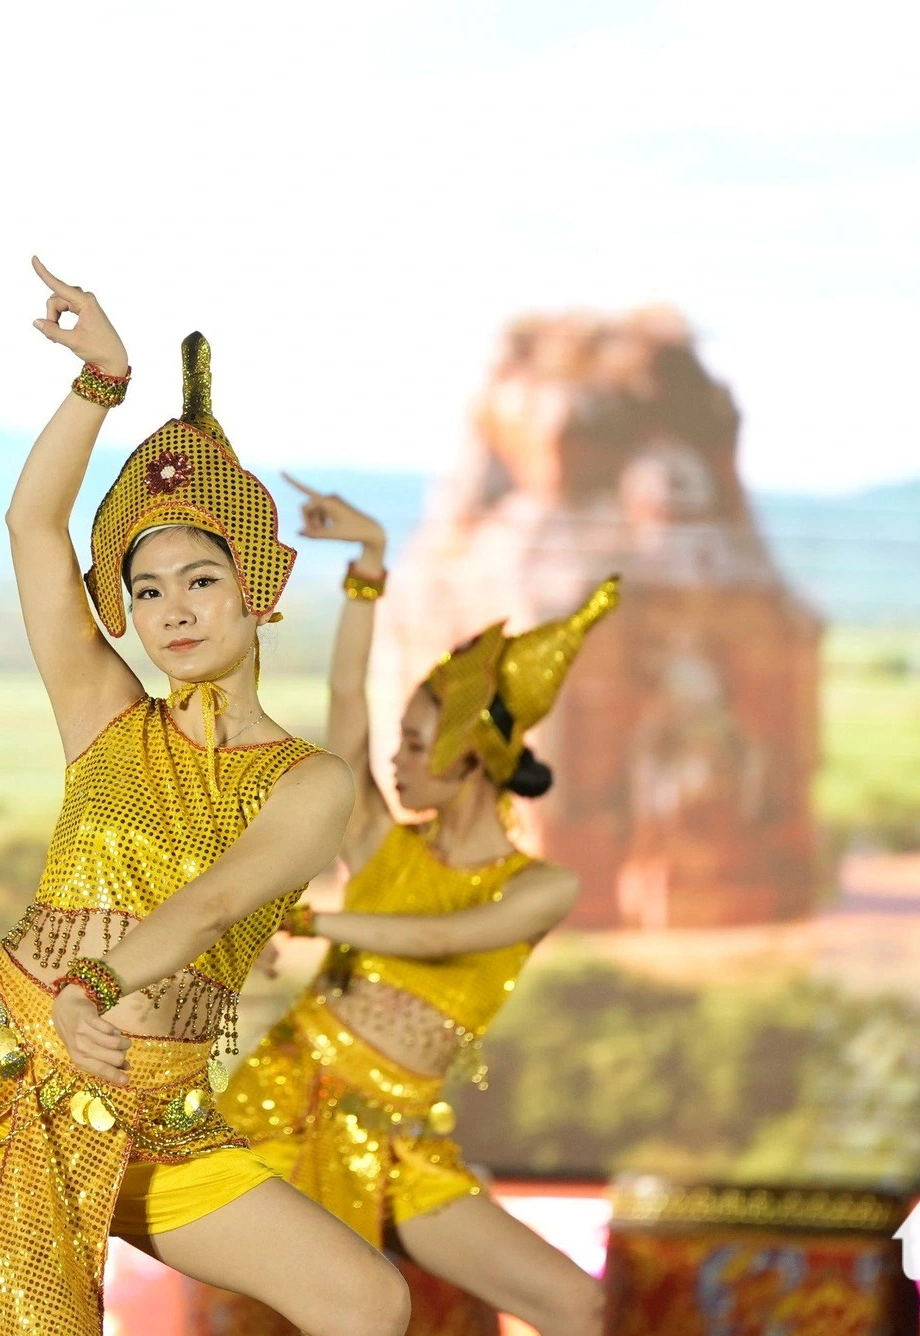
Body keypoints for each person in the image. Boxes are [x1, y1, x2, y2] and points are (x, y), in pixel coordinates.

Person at [0, 259, 411, 1336]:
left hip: (154, 1104)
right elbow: (33, 529)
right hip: (6, 1066)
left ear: (257, 593)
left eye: (201, 580)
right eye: (146, 587)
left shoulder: (308, 782)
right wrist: (100, 380)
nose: (173, 608)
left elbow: (212, 905)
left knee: (366, 1301)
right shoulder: (104, 716)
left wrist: (97, 981)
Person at [220, 481, 615, 1336]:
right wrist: (369, 571)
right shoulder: (378, 841)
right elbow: (345, 713)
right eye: (397, 741)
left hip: (405, 1136)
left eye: (414, 743)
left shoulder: (538, 887)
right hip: (295, 1101)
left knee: (576, 1304)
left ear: (473, 751)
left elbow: (442, 937)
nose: (394, 760)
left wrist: (304, 920)